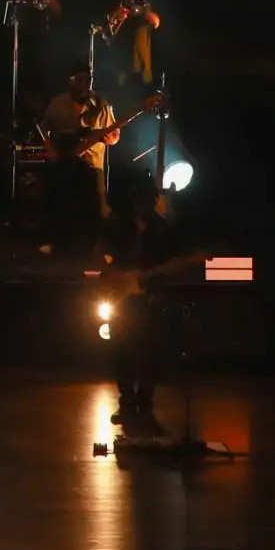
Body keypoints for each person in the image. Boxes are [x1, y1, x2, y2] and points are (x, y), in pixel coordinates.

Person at [99, 177, 189, 426]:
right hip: (121, 297)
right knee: (122, 351)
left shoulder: (160, 227)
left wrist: (155, 274)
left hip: (149, 297)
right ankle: (128, 402)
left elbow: (172, 261)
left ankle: (144, 403)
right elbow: (100, 252)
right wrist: (112, 272)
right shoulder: (116, 223)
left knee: (150, 352)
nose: (144, 205)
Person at [39, 65, 119, 262]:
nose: (85, 84)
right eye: (80, 79)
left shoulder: (101, 104)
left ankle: (94, 251)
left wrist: (109, 138)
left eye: (88, 79)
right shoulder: (57, 104)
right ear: (71, 81)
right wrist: (50, 151)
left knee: (96, 209)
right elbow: (42, 129)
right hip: (64, 164)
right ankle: (59, 249)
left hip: (92, 165)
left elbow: (115, 136)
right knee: (61, 206)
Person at [101, 0, 161, 97]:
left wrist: (141, 11)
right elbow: (106, 36)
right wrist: (117, 18)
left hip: (144, 71)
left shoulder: (147, 2)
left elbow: (156, 21)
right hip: (121, 70)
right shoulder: (116, 4)